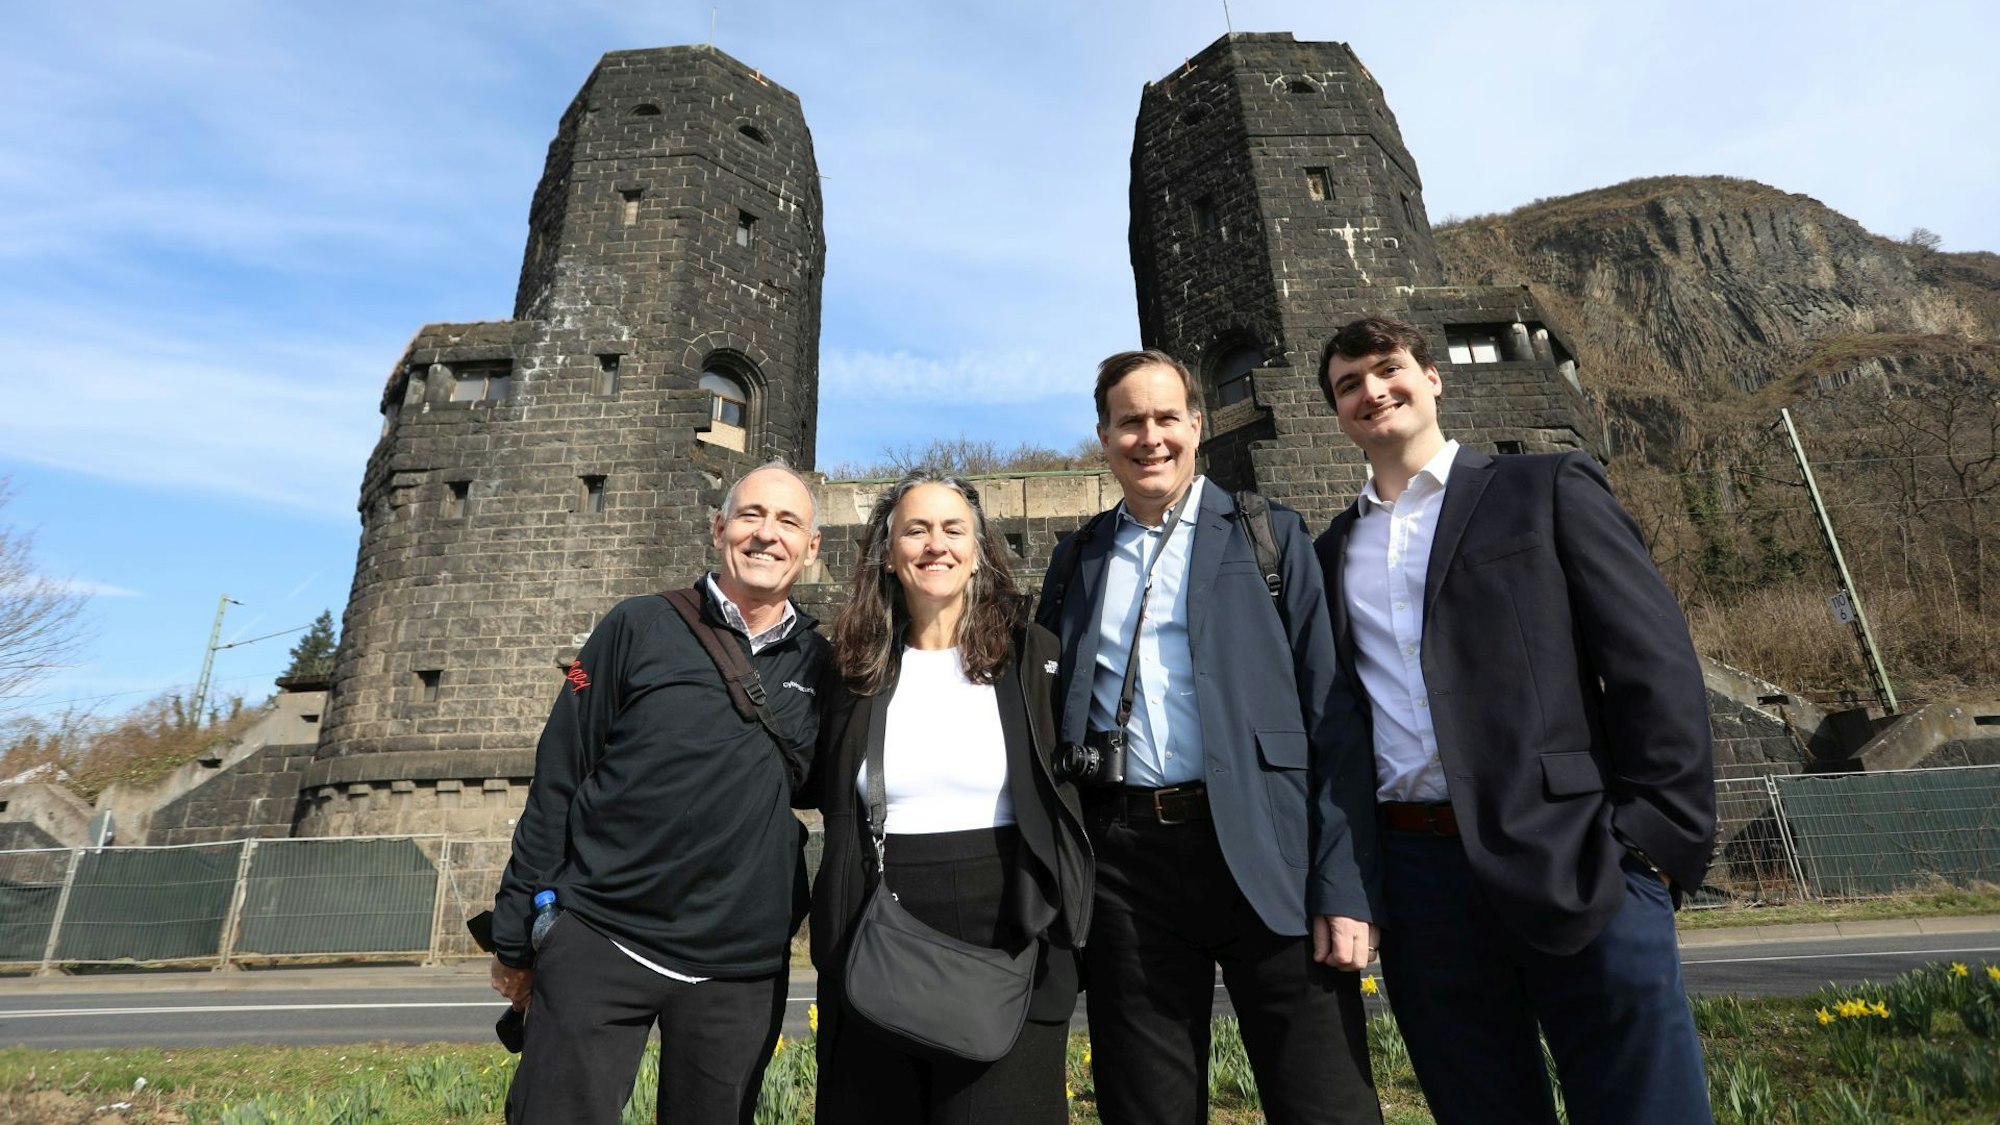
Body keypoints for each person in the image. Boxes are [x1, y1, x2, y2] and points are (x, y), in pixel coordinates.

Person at [1313, 316, 1717, 1125]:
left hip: (1578, 852)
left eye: (1388, 369)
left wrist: (1655, 840)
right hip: (1418, 877)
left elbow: (1653, 664)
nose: (1372, 391)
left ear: (1434, 377)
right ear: (1337, 413)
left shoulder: (1545, 486)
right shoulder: (1331, 552)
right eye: (1348, 384)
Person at [1035, 350, 1382, 1125]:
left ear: (1196, 425)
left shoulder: (1269, 535)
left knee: (1327, 1101)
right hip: (1127, 867)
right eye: (1131, 421)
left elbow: (1334, 720)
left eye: (1167, 417)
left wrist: (1344, 886)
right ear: (1104, 437)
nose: (1150, 436)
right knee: (1146, 1107)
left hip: (1269, 846)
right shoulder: (1078, 558)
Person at [489, 462, 829, 1125]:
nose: (767, 534)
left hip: (739, 964)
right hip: (603, 935)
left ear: (811, 546)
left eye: (788, 521)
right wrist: (515, 932)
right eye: (751, 515)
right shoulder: (637, 625)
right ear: (719, 529)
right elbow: (559, 775)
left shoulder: (824, 663)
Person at [805, 470, 1091, 1125]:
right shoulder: (852, 669)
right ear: (889, 552)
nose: (936, 544)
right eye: (917, 529)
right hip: (875, 929)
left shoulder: (1033, 655)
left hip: (1009, 933)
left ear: (979, 550)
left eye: (953, 529)